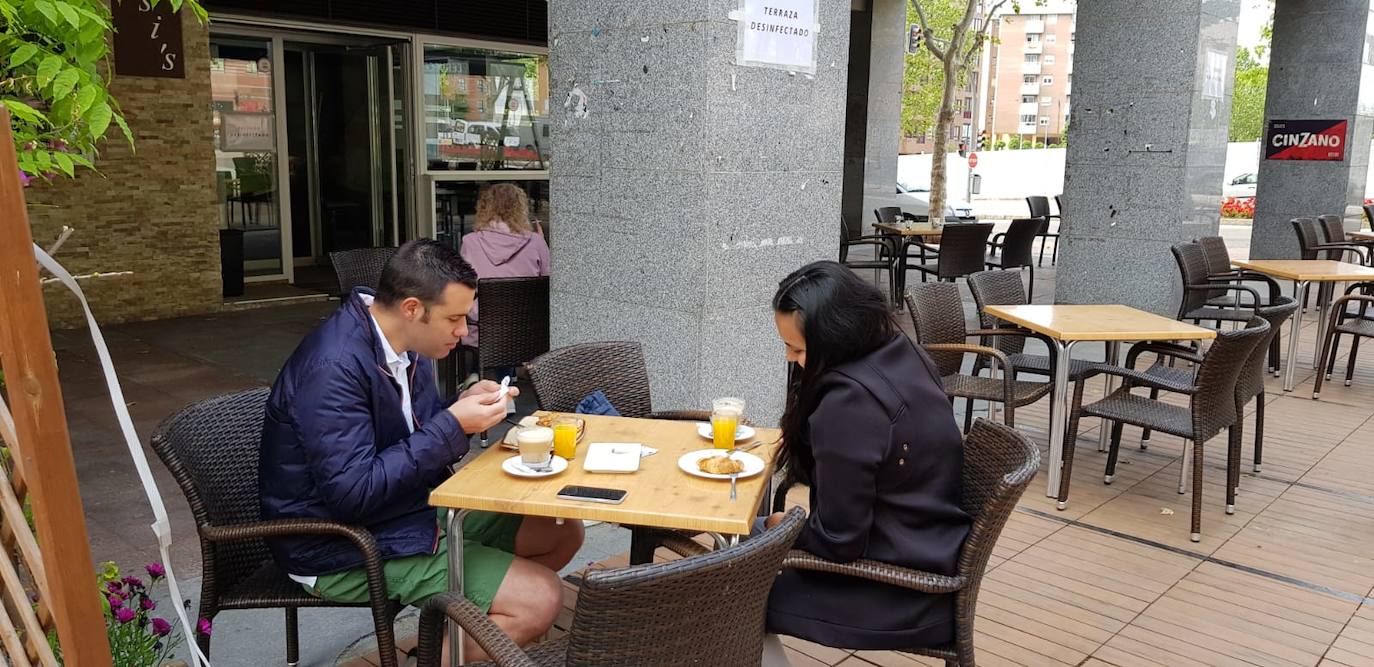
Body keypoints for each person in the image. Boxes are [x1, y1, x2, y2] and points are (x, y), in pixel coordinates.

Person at [259, 239, 583, 663]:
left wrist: (461, 407)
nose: (464, 331)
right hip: (339, 546)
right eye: (454, 318)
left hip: (407, 512)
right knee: (539, 599)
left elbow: (415, 431)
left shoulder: (403, 344)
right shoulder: (333, 369)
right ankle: (448, 648)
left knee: (561, 531)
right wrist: (453, 425)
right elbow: (351, 494)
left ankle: (460, 625)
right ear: (412, 308)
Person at [758, 260, 971, 652]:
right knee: (747, 544)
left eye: (797, 348)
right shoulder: (900, 351)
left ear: (834, 337)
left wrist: (781, 525)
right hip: (929, 547)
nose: (790, 358)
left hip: (894, 589)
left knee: (727, 596)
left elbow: (839, 541)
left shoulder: (849, 406)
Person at [459, 183, 551, 349]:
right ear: (521, 208)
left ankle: (479, 372)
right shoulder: (536, 242)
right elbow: (549, 284)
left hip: (483, 333)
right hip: (528, 332)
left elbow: (463, 286)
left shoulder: (470, 242)